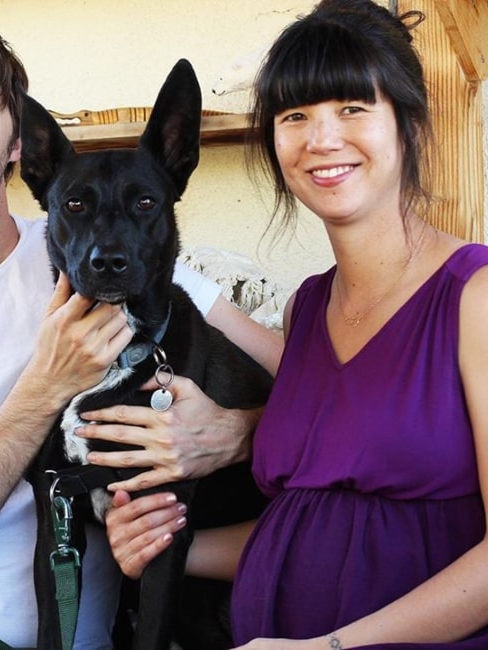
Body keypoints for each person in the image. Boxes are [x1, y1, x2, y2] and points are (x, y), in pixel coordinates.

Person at [0, 12, 281, 650]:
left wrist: (236, 433)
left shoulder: (115, 262)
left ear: (21, 144)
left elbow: (317, 389)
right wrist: (47, 384)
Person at [98, 0, 488, 648]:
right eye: (295, 115)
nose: (322, 138)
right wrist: (170, 545)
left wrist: (326, 649)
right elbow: (312, 527)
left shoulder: (472, 295)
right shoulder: (307, 309)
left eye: (353, 109)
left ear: (409, 124)